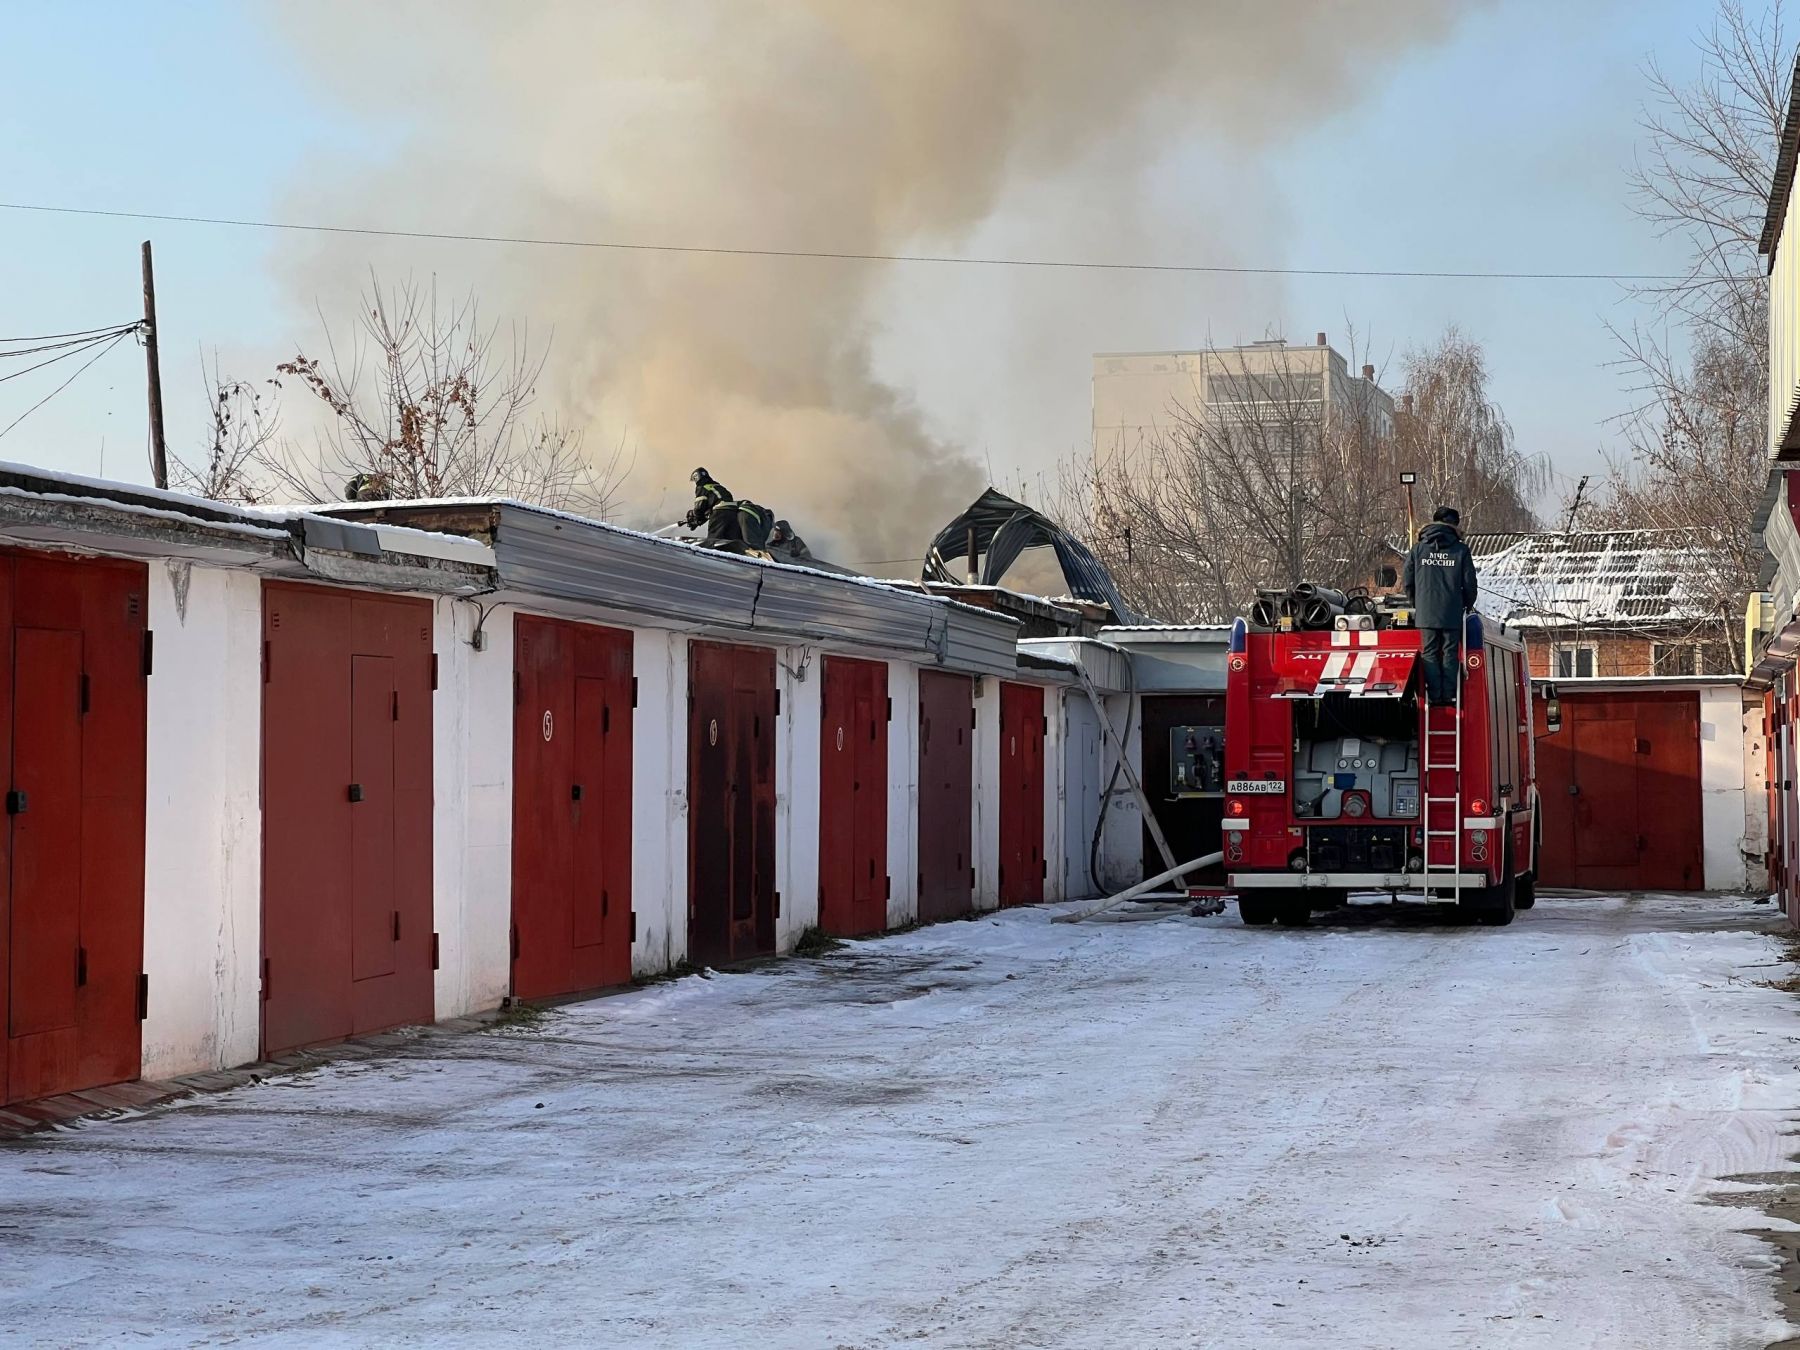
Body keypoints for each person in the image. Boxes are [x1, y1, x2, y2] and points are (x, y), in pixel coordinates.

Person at [1403, 505, 1478, 708]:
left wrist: (1417, 603)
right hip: (1452, 611)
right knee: (1450, 652)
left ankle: (1434, 696)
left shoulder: (1418, 549)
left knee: (1429, 653)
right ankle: (1449, 696)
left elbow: (1408, 581)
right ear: (1454, 525)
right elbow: (1470, 582)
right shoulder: (1461, 550)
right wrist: (1466, 605)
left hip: (1426, 611)